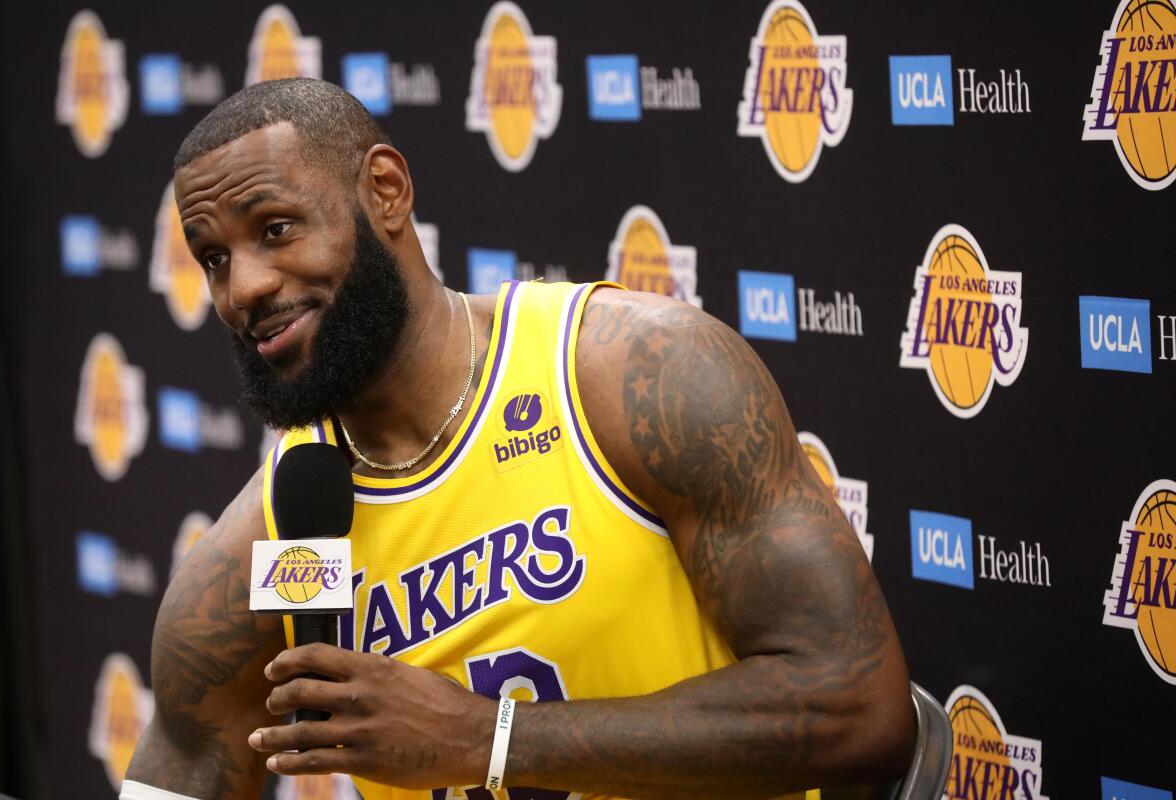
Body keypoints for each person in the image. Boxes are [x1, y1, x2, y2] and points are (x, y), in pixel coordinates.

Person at [123, 78, 914, 800]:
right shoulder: (266, 543)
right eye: (215, 258)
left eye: (277, 228)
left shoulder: (627, 376)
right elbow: (179, 771)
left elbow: (856, 709)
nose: (246, 287)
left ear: (386, 192)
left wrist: (486, 738)